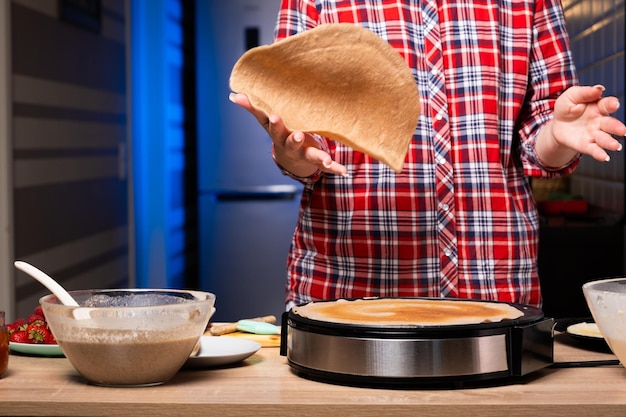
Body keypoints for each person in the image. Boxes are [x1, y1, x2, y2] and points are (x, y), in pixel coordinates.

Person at [230, 0, 626, 309]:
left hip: (493, 287)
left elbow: (540, 149)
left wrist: (557, 133)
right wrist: (297, 155)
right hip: (348, 287)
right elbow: (302, 137)